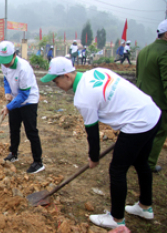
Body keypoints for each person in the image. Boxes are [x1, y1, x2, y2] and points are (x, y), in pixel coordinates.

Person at [41, 57, 161, 229]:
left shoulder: (83, 97)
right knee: (141, 163)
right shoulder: (97, 72)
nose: (55, 85)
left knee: (117, 170)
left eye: (55, 81)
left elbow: (92, 131)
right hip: (152, 113)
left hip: (137, 123)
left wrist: (94, 157)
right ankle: (145, 206)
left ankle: (117, 218)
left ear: (67, 76)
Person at [0, 41, 44, 174]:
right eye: (2, 60)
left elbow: (24, 94)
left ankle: (38, 162)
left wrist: (9, 107)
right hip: (15, 98)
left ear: (14, 55)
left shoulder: (24, 68)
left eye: (7, 60)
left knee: (31, 131)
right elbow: (6, 79)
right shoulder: (4, 64)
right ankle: (13, 153)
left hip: (29, 100)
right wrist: (7, 91)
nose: (4, 64)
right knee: (14, 128)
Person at [136, 19, 167, 172]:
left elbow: (138, 76)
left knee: (142, 131)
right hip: (159, 101)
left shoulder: (144, 51)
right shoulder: (165, 52)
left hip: (141, 98)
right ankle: (149, 163)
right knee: (160, 131)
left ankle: (136, 157)